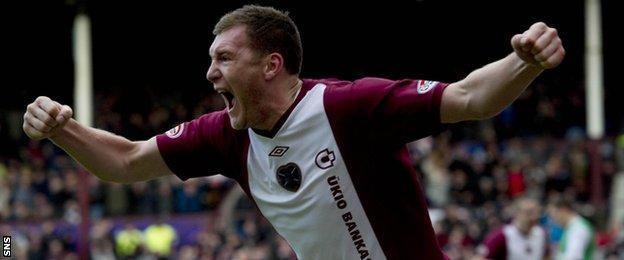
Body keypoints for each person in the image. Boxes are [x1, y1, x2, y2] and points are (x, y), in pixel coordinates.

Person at [22, 5, 565, 259]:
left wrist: (528, 62)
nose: (210, 73)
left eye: (223, 58)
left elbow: (468, 97)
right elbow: (127, 161)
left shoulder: (349, 106)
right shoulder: (224, 135)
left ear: (270, 65)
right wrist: (62, 130)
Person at [478, 197, 548, 260]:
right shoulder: (502, 235)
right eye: (528, 213)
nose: (533, 217)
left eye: (536, 212)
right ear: (517, 213)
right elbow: (479, 257)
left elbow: (547, 256)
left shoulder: (541, 233)